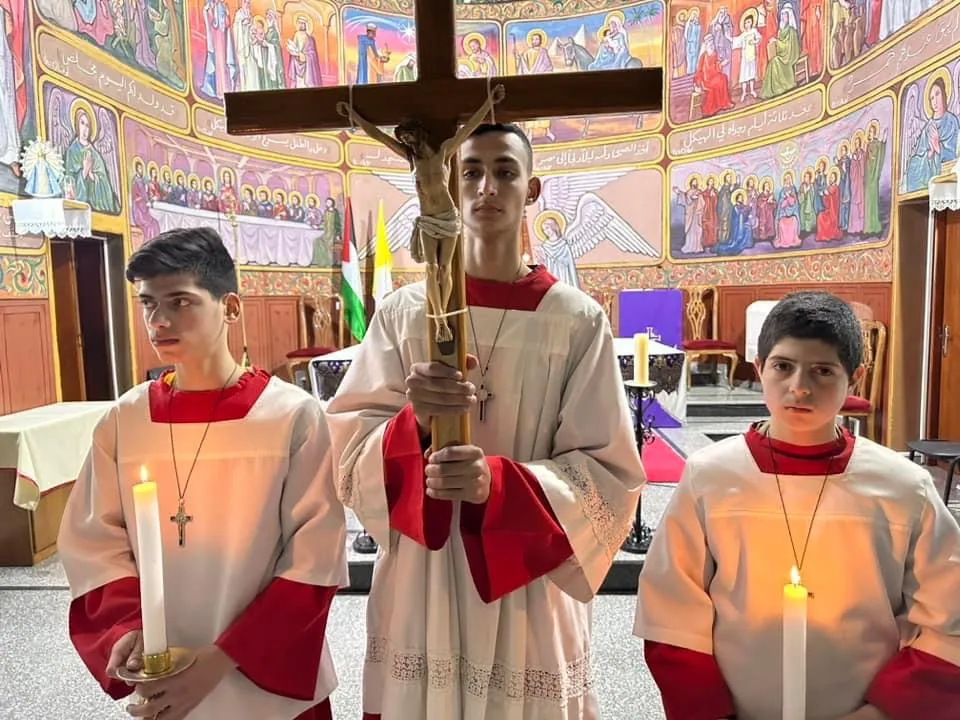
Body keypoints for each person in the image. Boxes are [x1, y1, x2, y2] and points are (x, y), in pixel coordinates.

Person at [325, 122, 645, 719]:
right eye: (470, 170)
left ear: (533, 189)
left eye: (504, 171)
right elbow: (344, 449)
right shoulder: (403, 312)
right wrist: (414, 424)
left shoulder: (575, 320)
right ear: (449, 181)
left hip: (528, 579)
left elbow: (609, 475)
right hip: (424, 572)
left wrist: (497, 486)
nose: (486, 187)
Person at [58, 227, 348, 720]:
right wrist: (128, 632)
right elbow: (92, 543)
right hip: (164, 673)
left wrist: (220, 663)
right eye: (148, 303)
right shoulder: (126, 420)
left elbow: (314, 558)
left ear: (230, 308)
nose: (159, 320)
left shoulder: (290, 416)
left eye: (180, 301)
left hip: (267, 681)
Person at [634, 291, 960, 720]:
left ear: (855, 378)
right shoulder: (710, 477)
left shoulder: (903, 487)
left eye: (823, 371)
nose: (800, 387)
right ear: (759, 367)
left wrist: (883, 712)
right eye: (783, 366)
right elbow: (671, 612)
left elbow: (949, 621)